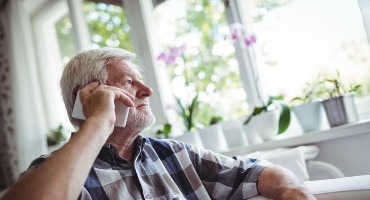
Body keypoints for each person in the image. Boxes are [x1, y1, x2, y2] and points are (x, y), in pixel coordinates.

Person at [2, 48, 315, 200]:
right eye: (128, 82)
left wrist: (294, 190)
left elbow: (255, 170)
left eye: (143, 82)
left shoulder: (174, 155)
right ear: (87, 97)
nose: (148, 91)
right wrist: (98, 121)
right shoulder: (55, 173)